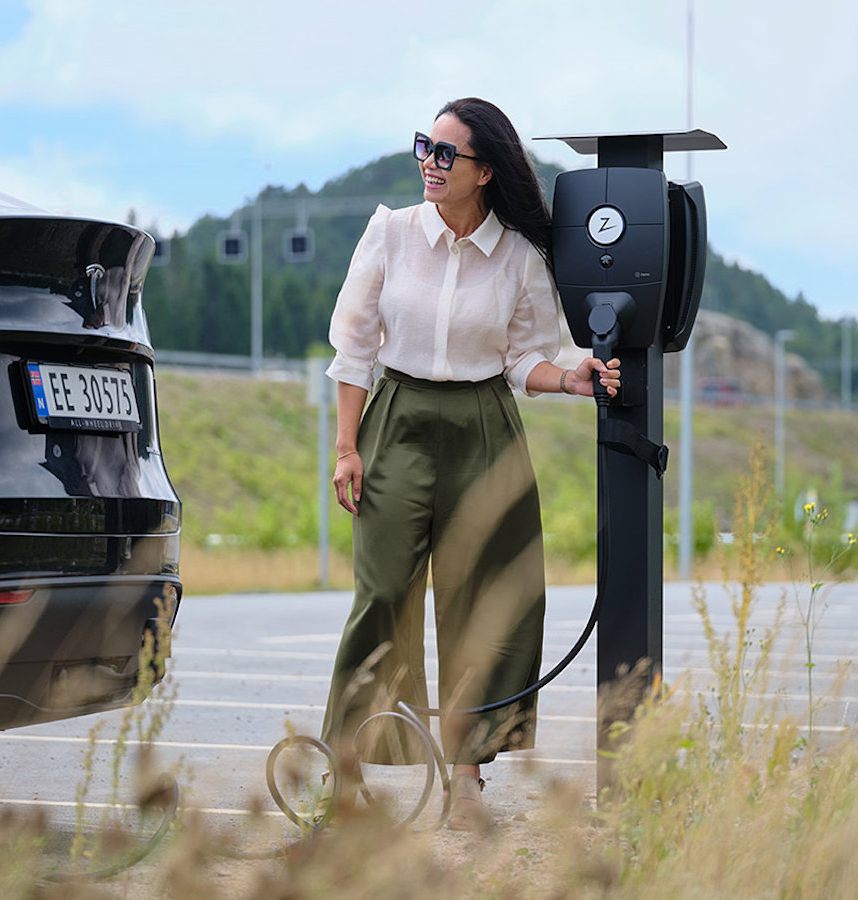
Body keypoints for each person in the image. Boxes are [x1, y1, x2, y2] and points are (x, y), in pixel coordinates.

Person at [321, 97, 619, 832]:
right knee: (383, 592)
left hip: (485, 425)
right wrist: (347, 448)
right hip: (397, 419)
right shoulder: (390, 233)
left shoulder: (518, 256)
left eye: (447, 152)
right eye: (425, 146)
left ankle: (467, 777)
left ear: (484, 172)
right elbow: (354, 349)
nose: (430, 161)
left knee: (482, 598)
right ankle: (346, 771)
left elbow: (524, 358)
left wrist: (571, 378)